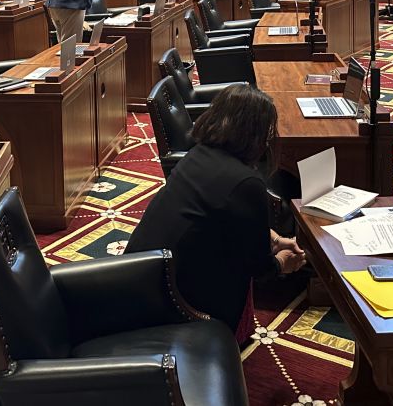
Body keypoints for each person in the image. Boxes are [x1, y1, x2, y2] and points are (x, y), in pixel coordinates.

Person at [126, 84, 306, 336]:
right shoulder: (247, 182)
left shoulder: (197, 154)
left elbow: (224, 219)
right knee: (236, 270)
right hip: (176, 299)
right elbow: (260, 268)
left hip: (138, 275)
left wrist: (274, 239)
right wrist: (284, 263)